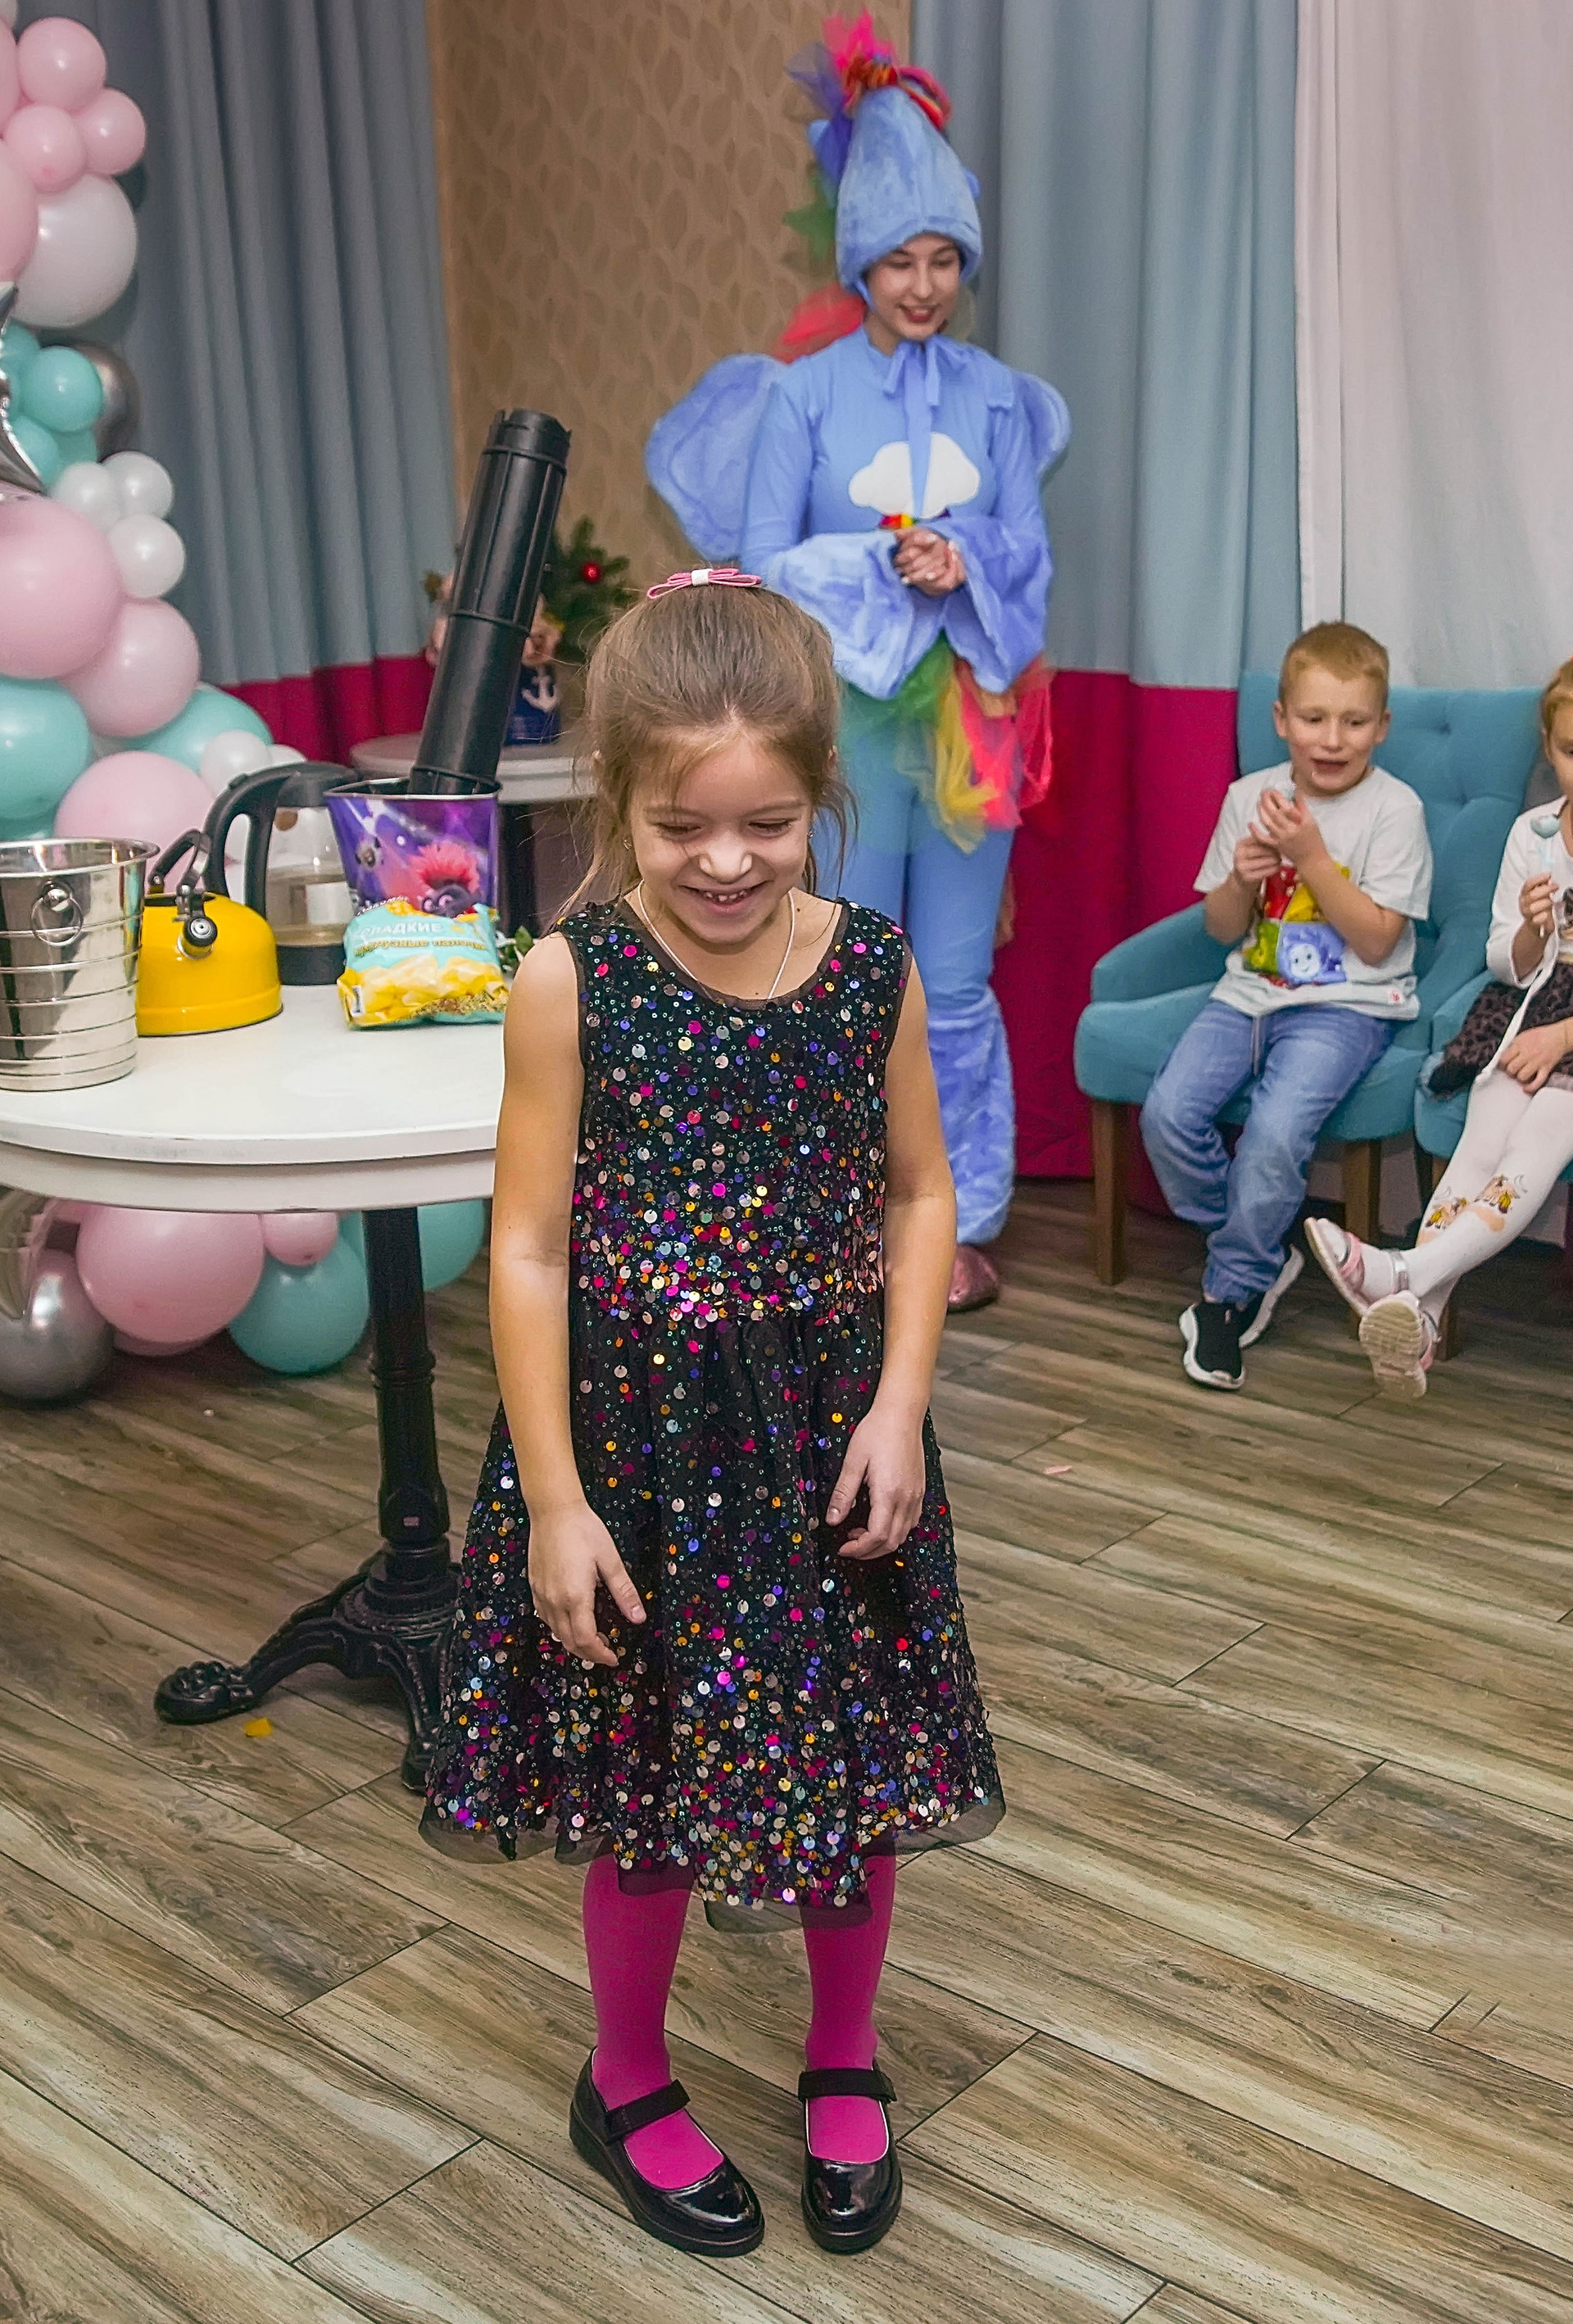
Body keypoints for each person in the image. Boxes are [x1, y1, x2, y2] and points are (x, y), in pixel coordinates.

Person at [423, 573, 1000, 2259]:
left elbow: (920, 1192)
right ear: (619, 800)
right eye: (683, 827)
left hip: (829, 1432)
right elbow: (527, 1246)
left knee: (850, 1756)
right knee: (651, 1776)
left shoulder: (871, 968)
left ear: (823, 795)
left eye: (767, 823)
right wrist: (554, 1500)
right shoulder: (569, 979)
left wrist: (901, 1401)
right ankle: (623, 2078)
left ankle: (843, 2051)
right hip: (638, 1445)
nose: (729, 860)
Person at [646, 16, 1069, 1312]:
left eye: (945, 259)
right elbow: (763, 562)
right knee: (843, 972)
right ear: (862, 263)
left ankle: (961, 1217)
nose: (923, 284)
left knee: (955, 982)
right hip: (845, 725)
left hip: (969, 723)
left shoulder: (999, 397)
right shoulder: (804, 396)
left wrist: (968, 557)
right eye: (899, 259)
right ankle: (842, 1219)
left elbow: (1031, 556)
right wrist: (882, 562)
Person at [1140, 621, 1433, 1391]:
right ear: (1281, 719)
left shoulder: (1394, 810)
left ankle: (1230, 1293)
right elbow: (1220, 929)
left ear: (1382, 726)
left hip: (1349, 1005)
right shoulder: (1250, 797)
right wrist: (1241, 879)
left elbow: (1377, 941)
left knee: (1273, 1135)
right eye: (1313, 718)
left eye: (1354, 721)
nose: (1332, 739)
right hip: (1247, 994)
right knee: (1167, 1115)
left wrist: (1310, 858)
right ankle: (1258, 1247)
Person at [1307, 656, 1573, 1396]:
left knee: (1537, 1137)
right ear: (1549, 749)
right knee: (1481, 1138)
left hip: (1566, 1031)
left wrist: (1562, 1037)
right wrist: (1532, 929)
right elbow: (1505, 961)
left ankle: (1404, 1273)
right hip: (1533, 1006)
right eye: (1570, 750)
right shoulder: (1534, 833)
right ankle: (1417, 1316)